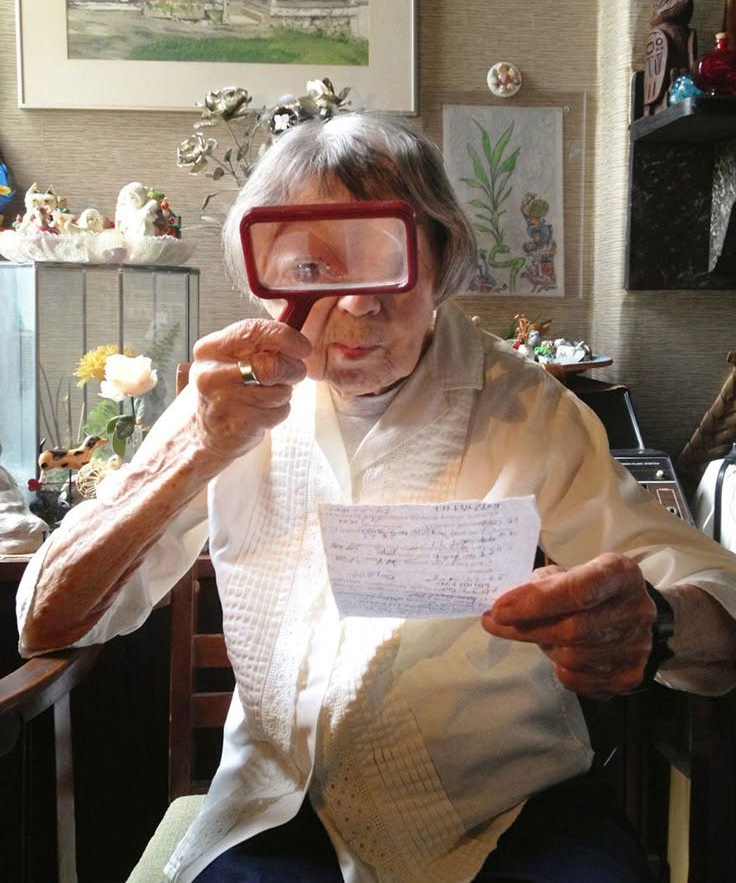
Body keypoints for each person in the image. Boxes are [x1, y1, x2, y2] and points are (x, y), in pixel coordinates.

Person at [16, 114, 736, 883]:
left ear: (443, 260)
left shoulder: (530, 410)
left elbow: (719, 607)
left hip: (515, 812)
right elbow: (46, 620)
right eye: (314, 267)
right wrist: (190, 452)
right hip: (279, 811)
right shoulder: (225, 403)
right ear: (267, 276)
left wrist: (654, 618)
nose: (357, 305)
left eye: (384, 254)